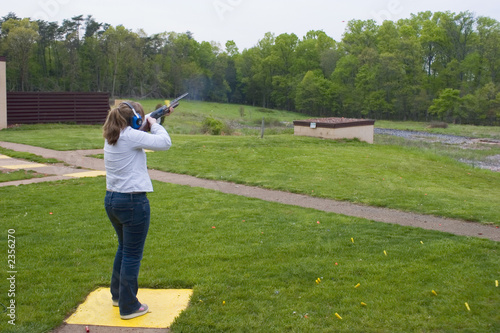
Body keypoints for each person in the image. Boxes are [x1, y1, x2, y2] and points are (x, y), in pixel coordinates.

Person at [102, 101, 173, 320]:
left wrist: (156, 115)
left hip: (112, 200)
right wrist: (154, 123)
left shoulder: (114, 134)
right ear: (133, 120)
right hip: (132, 202)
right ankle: (129, 306)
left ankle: (118, 296)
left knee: (123, 249)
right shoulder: (131, 136)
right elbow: (165, 142)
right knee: (132, 255)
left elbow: (137, 124)